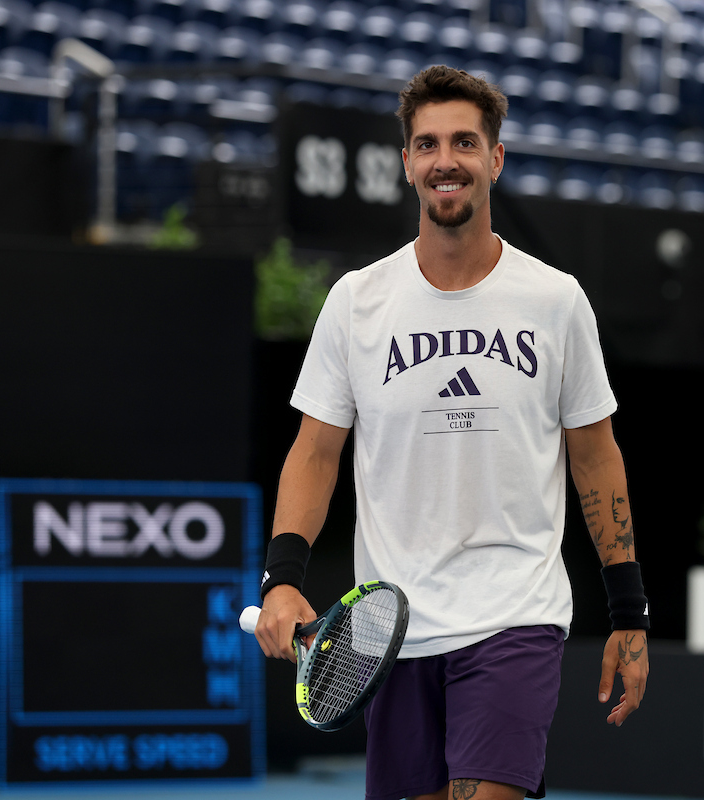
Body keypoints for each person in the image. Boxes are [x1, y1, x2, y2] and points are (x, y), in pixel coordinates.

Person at [253, 65, 650, 800]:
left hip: (514, 612)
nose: (446, 160)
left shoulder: (556, 302)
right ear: (406, 163)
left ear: (495, 158)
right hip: (392, 630)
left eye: (465, 142)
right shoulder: (356, 303)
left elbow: (596, 461)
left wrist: (629, 612)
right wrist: (282, 581)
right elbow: (314, 452)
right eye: (428, 144)